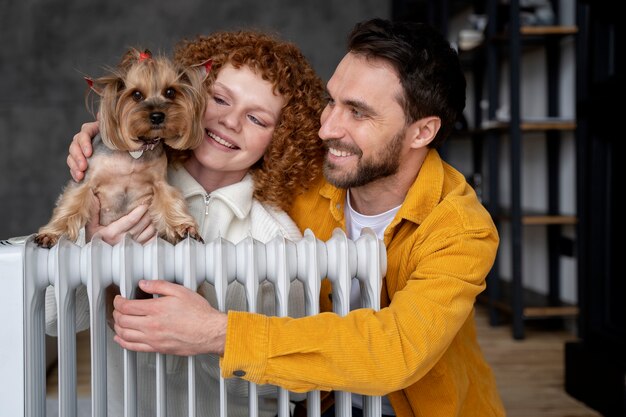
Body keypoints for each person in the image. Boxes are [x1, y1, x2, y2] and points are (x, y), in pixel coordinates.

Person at [70, 18, 505, 417]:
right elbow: (201, 126)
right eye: (330, 102)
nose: (327, 128)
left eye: (357, 112)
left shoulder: (461, 229)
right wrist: (117, 141)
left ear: (422, 132)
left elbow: (397, 352)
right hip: (317, 403)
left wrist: (216, 333)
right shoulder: (318, 168)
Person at [58, 29, 326, 417]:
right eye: (219, 99)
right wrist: (91, 256)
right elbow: (49, 321)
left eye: (256, 118)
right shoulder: (111, 186)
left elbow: (293, 390)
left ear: (281, 139)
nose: (231, 122)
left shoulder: (278, 239)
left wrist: (210, 337)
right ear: (188, 95)